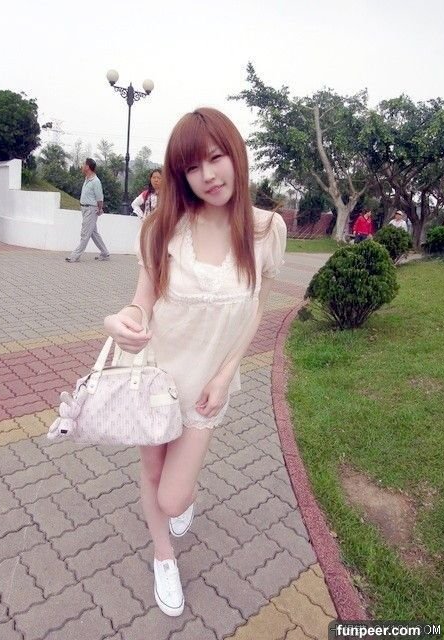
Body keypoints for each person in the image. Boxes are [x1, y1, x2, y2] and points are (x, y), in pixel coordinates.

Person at [103, 107, 287, 617]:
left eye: (216, 157)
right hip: (153, 376)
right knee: (152, 471)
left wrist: (227, 374)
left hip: (206, 386)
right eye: (191, 167)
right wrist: (122, 321)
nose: (207, 175)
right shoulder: (162, 228)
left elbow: (257, 306)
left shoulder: (265, 230)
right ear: (179, 175)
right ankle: (163, 555)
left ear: (235, 155)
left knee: (174, 496)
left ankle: (181, 502)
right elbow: (142, 300)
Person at [65, 158, 110, 262]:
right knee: (93, 233)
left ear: (88, 167)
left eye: (83, 164)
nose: (82, 166)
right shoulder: (87, 179)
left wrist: (99, 209)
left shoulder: (96, 181)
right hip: (85, 209)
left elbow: (100, 198)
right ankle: (105, 253)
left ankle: (75, 256)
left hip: (91, 210)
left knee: (85, 234)